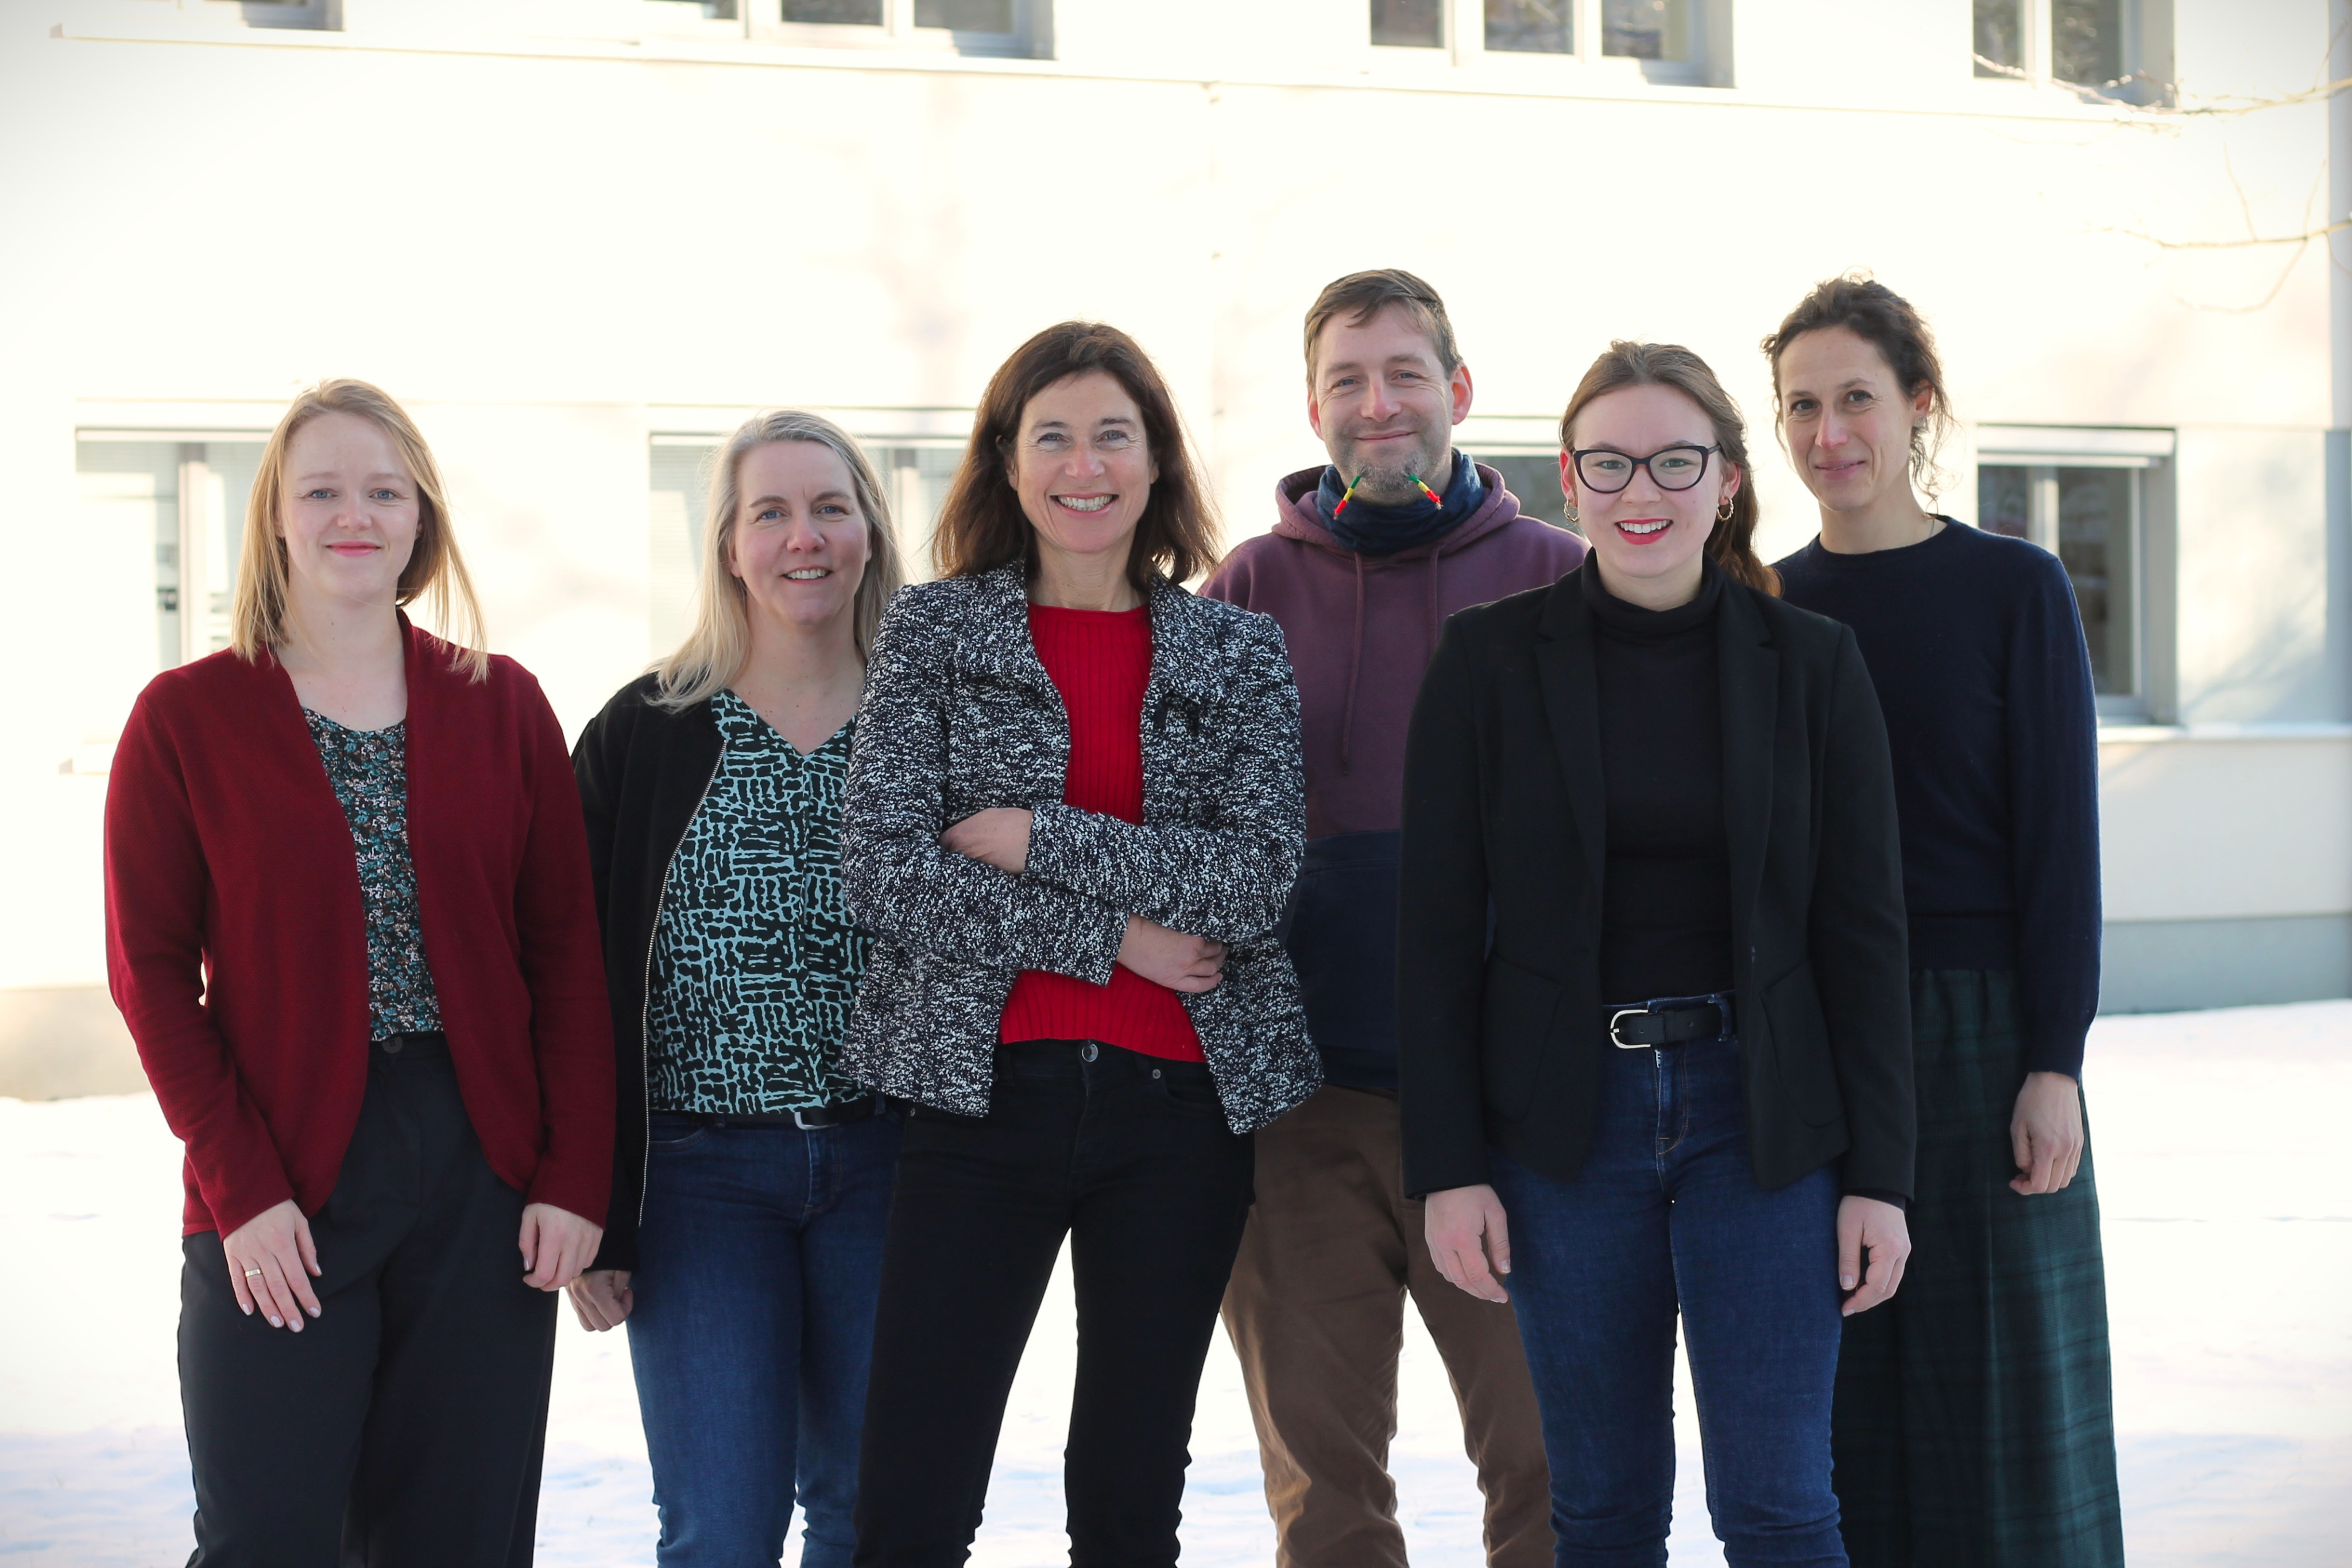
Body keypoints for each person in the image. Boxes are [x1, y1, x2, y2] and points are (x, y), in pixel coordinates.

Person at [1401, 341, 1917, 1568]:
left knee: (1781, 1505)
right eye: (1609, 462)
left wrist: (1880, 1178)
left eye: (1675, 460)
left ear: (1729, 480)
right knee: (1602, 1508)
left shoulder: (1813, 664)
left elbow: (1863, 933)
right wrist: (1448, 1166)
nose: (1643, 491)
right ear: (1567, 482)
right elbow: (1429, 934)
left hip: (1765, 1122)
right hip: (1560, 1130)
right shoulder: (1484, 662)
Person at [103, 378, 614, 1566]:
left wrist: (572, 1172)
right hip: (282, 1169)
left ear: (420, 517)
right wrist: (243, 1188)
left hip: (484, 1170)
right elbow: (151, 975)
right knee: (267, 1537)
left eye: (384, 490)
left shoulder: (502, 703)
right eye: (321, 490)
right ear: (274, 518)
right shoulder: (187, 717)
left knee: (458, 1540)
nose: (354, 514)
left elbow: (569, 961)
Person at [839, 320, 1321, 1568]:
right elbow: (889, 872)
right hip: (978, 1093)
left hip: (1180, 1113)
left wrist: (1028, 834)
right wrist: (1111, 937)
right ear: (1006, 463)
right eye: (1050, 435)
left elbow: (1251, 877)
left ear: (1155, 459)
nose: (1083, 464)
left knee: (1127, 1493)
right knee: (912, 1486)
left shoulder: (1237, 645)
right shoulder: (934, 634)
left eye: (1113, 433)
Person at [1202, 268, 1580, 1568]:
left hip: (1514, 1115)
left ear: (1457, 392)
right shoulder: (1245, 587)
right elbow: (1186, 826)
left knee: (1549, 1464)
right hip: (1300, 1114)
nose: (1379, 405)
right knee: (1324, 1484)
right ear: (1313, 409)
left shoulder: (1556, 579)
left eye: (1404, 373)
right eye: (1348, 381)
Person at [1763, 276, 2125, 1567]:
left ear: (1915, 406)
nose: (1825, 432)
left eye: (1854, 397)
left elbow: (2059, 850)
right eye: (1798, 404)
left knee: (2006, 1387)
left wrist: (2053, 1060)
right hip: (1806, 1037)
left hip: (1977, 1031)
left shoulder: (2011, 588)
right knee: (1843, 1385)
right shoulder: (1761, 604)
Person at [565, 411, 909, 1567]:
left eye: (828, 507)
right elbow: (567, 981)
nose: (802, 537)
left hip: (890, 1167)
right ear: (726, 544)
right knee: (720, 1526)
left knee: (876, 1517)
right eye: (770, 511)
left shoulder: (932, 723)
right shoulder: (645, 732)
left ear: (868, 529)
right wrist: (595, 1201)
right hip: (697, 1182)